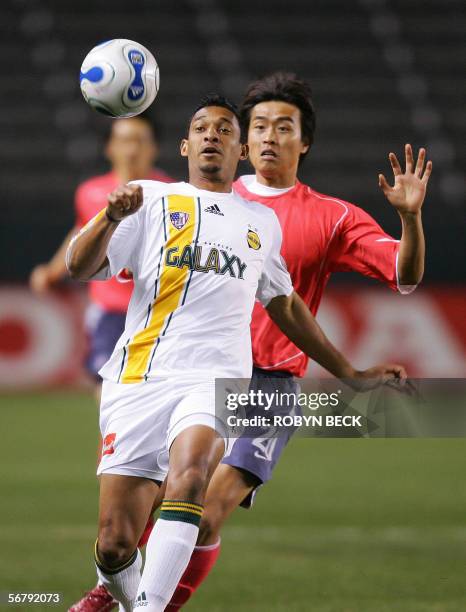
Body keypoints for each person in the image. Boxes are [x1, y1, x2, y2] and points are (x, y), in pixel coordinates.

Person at [65, 95, 406, 612]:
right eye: (201, 128)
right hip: (139, 379)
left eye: (225, 130)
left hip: (218, 381)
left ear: (240, 150)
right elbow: (80, 266)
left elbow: (285, 304)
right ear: (184, 145)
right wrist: (108, 219)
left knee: (194, 475)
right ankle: (116, 590)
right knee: (115, 544)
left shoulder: (260, 224)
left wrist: (348, 371)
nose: (212, 136)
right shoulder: (148, 200)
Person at [156, 73, 431, 610]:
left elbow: (406, 273)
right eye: (258, 125)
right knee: (166, 506)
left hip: (270, 383)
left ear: (303, 141)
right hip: (199, 371)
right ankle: (117, 593)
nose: (268, 136)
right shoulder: (212, 198)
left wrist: (411, 218)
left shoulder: (331, 216)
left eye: (284, 127)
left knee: (208, 510)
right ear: (242, 139)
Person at [30, 115, 173, 394]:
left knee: (154, 397)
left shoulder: (172, 195)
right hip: (109, 313)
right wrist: (52, 270)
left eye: (140, 141)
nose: (131, 149)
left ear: (154, 148)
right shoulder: (90, 192)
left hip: (155, 312)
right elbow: (81, 233)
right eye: (123, 141)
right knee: (108, 396)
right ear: (109, 148)